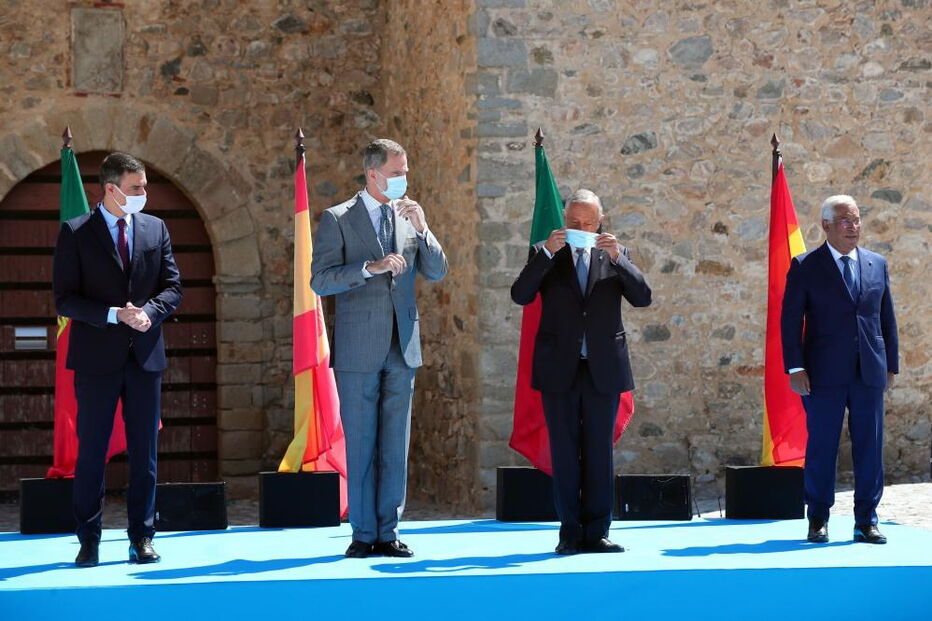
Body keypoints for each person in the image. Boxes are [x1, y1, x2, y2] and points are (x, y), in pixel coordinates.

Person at [311, 138, 447, 558]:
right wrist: (369, 269)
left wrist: (424, 229)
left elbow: (437, 271)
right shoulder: (337, 219)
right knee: (362, 442)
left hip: (402, 346)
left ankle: (389, 531)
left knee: (395, 444)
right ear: (372, 174)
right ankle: (363, 532)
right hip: (358, 347)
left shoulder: (410, 216)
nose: (402, 180)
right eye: (395, 173)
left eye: (405, 172)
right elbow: (321, 280)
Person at [52, 152, 182, 567]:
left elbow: (173, 286)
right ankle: (88, 539)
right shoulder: (75, 232)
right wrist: (112, 315)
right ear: (111, 189)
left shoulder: (155, 228)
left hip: (145, 358)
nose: (144, 194)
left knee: (144, 455)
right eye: (136, 188)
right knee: (91, 453)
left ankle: (142, 537)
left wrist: (150, 312)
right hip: (96, 359)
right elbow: (65, 298)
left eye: (144, 186)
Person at [511, 189, 651, 555]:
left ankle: (598, 531)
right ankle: (570, 531)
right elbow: (521, 294)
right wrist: (545, 254)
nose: (581, 228)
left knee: (599, 452)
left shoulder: (615, 255)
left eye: (588, 223)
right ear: (565, 220)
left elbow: (643, 296)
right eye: (575, 222)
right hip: (560, 369)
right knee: (564, 450)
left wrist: (619, 257)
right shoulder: (547, 255)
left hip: (603, 368)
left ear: (600, 221)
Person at [782, 195, 898, 545]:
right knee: (822, 447)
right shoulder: (805, 265)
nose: (853, 226)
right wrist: (795, 367)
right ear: (826, 226)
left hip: (868, 373)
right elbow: (790, 321)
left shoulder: (877, 263)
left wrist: (890, 363)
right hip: (822, 374)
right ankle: (818, 517)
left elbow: (886, 318)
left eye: (857, 219)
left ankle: (867, 519)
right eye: (845, 220)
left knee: (869, 447)